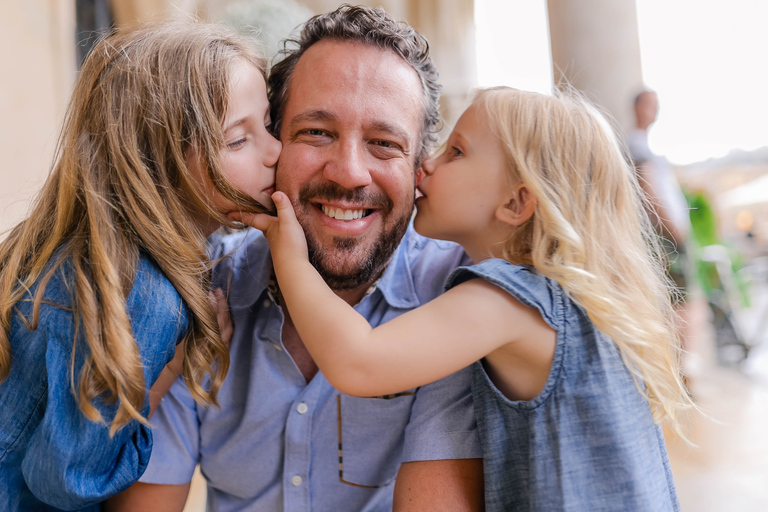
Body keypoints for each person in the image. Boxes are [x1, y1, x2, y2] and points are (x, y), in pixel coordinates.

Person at [244, 87, 692, 511]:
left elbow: (357, 361)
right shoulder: (572, 302)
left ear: (516, 204)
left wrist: (291, 258)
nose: (427, 164)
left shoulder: (508, 299)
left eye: (455, 152)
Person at [111, 5, 484, 512]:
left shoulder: (459, 297)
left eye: (384, 143)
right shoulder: (200, 293)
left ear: (421, 168)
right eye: (317, 132)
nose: (350, 172)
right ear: (273, 142)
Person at [0, 20, 280, 511]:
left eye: (269, 126)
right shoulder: (143, 295)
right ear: (156, 163)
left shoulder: (79, 252)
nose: (275, 151)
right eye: (238, 140)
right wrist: (171, 367)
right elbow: (67, 479)